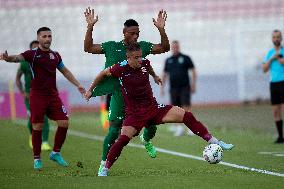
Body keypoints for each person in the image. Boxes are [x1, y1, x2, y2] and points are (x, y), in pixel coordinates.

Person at [85, 43, 234, 176]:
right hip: (134, 114)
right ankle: (105, 169)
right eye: (136, 57)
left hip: (153, 108)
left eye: (140, 56)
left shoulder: (144, 63)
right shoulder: (120, 68)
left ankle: (214, 141)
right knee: (122, 140)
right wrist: (91, 90)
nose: (139, 60)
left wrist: (155, 76)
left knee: (187, 116)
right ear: (128, 58)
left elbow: (148, 67)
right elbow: (102, 74)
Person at [83, 7, 170, 173]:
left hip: (142, 97)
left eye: (138, 33)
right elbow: (88, 48)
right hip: (119, 96)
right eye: (132, 33)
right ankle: (103, 163)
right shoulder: (111, 46)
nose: (136, 36)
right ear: (124, 32)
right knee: (114, 129)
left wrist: (161, 29)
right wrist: (90, 27)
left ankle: (146, 139)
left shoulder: (141, 47)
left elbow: (164, 48)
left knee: (152, 126)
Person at [0, 27, 86, 170]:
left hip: (52, 95)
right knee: (37, 126)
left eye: (49, 36)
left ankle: (55, 153)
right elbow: (17, 58)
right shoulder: (32, 54)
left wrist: (78, 84)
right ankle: (37, 158)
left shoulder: (55, 55)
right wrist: (7, 58)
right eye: (44, 36)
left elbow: (64, 71)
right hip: (37, 96)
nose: (47, 39)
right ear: (38, 38)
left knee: (64, 122)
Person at [16, 40, 51, 150]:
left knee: (44, 118)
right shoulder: (24, 63)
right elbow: (17, 79)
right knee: (33, 117)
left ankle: (44, 142)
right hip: (29, 96)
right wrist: (22, 92)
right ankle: (32, 136)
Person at [161, 40, 197, 136]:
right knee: (176, 109)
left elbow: (193, 71)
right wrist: (162, 87)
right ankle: (179, 128)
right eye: (173, 47)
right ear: (171, 48)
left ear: (179, 47)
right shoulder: (168, 60)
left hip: (184, 87)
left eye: (176, 47)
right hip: (173, 88)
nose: (175, 48)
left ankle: (191, 127)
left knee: (186, 107)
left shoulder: (185, 58)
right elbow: (164, 74)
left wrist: (193, 84)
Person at [262, 29, 284, 144]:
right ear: (272, 39)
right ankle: (280, 136)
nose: (276, 39)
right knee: (276, 111)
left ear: (281, 38)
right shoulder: (270, 53)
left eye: (278, 37)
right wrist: (271, 59)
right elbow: (264, 69)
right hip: (274, 84)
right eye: (274, 37)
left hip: (283, 82)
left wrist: (280, 60)